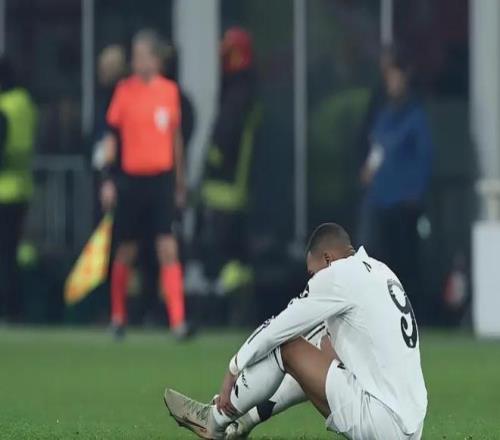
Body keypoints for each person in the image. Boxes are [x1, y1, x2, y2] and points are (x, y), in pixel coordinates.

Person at [164, 223, 427, 439]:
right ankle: (243, 421)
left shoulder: (338, 275)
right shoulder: (380, 271)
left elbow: (277, 328)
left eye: (313, 273)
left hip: (381, 420)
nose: (313, 280)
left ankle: (214, 420)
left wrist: (234, 366)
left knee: (286, 346)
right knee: (315, 346)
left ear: (328, 259)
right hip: (411, 426)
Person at [100, 29, 189, 339]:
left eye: (142, 55)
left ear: (155, 59)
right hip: (131, 181)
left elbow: (176, 140)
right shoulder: (124, 91)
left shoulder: (169, 91)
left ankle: (178, 321)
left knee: (167, 246)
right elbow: (112, 138)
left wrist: (180, 183)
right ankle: (118, 317)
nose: (136, 61)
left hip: (161, 180)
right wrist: (108, 179)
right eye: (134, 56)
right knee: (126, 249)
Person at [357, 46, 433, 313]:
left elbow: (424, 157)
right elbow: (378, 148)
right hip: (381, 200)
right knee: (380, 261)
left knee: (406, 263)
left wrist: (416, 193)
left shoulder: (415, 116)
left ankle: (412, 314)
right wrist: (369, 169)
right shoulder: (384, 115)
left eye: (394, 75)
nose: (391, 82)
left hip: (404, 203)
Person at [198, 26, 259, 295]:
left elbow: (226, 133)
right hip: (236, 184)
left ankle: (229, 297)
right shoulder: (246, 88)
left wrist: (211, 162)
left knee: (222, 248)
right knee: (236, 250)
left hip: (225, 186)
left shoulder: (237, 92)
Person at [0, 57, 37, 322]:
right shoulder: (25, 104)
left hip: (3, 189)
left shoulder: (3, 107)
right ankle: (14, 307)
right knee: (10, 253)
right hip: (22, 189)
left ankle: (6, 307)